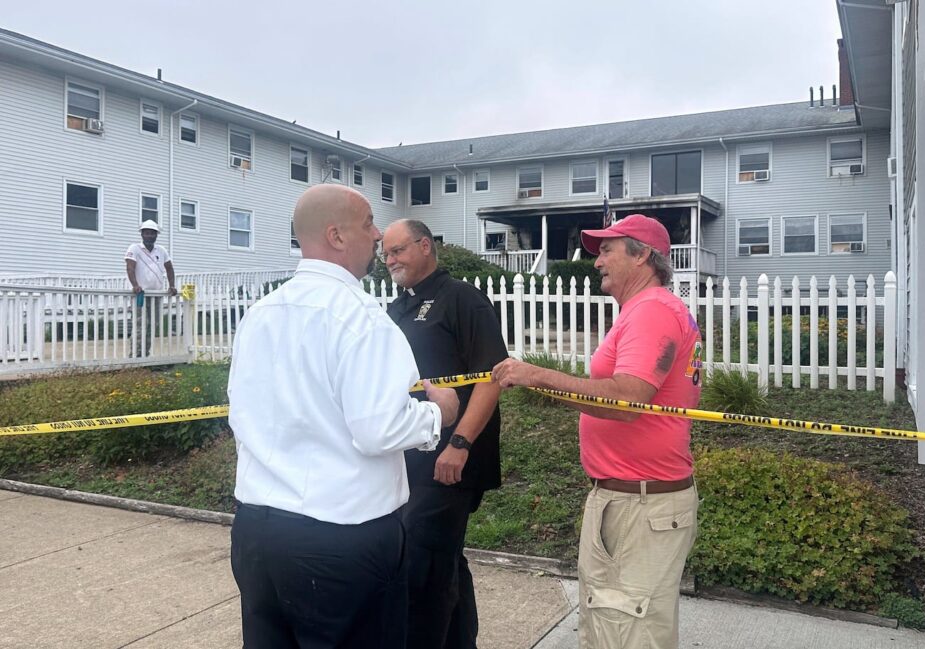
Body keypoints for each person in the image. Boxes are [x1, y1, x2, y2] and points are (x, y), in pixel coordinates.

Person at [228, 185, 460, 649]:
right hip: (340, 540)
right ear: (336, 236)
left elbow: (241, 410)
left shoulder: (260, 313)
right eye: (369, 223)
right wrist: (439, 411)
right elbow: (380, 428)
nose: (377, 235)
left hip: (256, 533)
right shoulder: (362, 317)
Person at [491, 214, 703, 649]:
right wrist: (538, 382)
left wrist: (538, 376)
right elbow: (612, 401)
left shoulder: (652, 310)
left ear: (642, 255)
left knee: (628, 633)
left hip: (641, 506)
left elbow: (626, 401)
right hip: (629, 500)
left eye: (607, 250)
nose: (596, 261)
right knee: (612, 627)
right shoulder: (645, 310)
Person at [381, 219, 507, 649]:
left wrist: (459, 444)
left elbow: (491, 378)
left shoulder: (462, 300)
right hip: (411, 457)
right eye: (385, 254)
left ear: (425, 246)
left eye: (397, 251)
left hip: (451, 462)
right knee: (445, 562)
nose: (389, 260)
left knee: (425, 568)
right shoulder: (397, 308)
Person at [124, 220, 176, 357]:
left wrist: (172, 285)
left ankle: (145, 355)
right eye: (146, 233)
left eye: (152, 233)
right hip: (141, 294)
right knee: (140, 325)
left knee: (153, 325)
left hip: (156, 295)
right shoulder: (134, 248)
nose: (149, 236)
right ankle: (135, 356)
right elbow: (130, 267)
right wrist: (135, 285)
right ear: (142, 234)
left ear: (156, 235)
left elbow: (169, 268)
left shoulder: (162, 250)